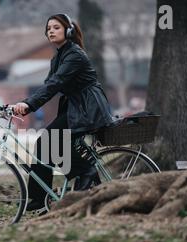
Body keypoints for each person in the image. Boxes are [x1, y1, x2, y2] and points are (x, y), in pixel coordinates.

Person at [10, 13, 114, 212]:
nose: (51, 31)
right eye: (48, 28)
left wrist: (28, 104)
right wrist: (24, 103)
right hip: (76, 108)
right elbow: (49, 85)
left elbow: (55, 84)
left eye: (56, 27)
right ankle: (40, 197)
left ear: (68, 30)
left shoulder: (74, 54)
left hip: (88, 109)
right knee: (46, 146)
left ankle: (86, 171)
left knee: (47, 141)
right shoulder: (59, 56)